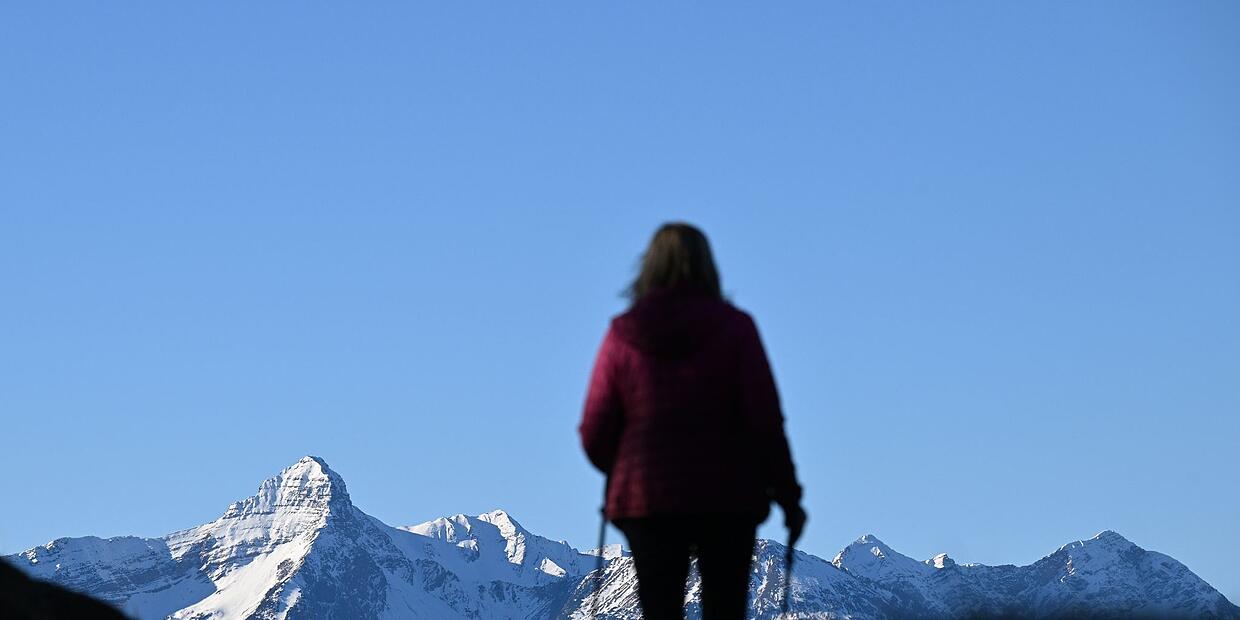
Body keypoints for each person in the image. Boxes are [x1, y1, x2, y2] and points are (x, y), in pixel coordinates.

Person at [578, 222, 806, 620]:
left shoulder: (622, 335)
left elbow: (595, 429)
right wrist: (788, 495)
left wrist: (619, 470)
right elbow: (765, 420)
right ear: (707, 267)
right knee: (725, 608)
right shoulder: (736, 329)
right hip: (728, 495)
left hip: (646, 499)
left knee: (659, 608)